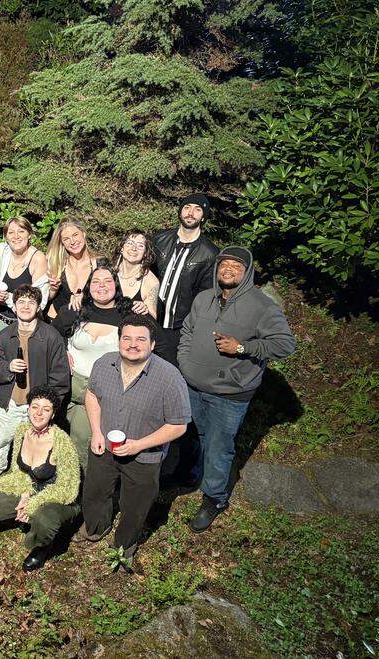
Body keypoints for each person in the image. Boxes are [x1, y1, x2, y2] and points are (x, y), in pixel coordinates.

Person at [179, 247, 296, 532]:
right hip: (194, 386)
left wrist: (243, 347)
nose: (228, 269)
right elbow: (187, 331)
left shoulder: (262, 306)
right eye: (224, 264)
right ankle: (196, 477)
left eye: (236, 265)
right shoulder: (204, 298)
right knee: (197, 436)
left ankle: (214, 498)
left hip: (230, 394)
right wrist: (184, 362)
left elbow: (284, 344)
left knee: (220, 446)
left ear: (247, 272)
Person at [79, 314, 191, 570]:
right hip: (104, 446)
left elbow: (178, 425)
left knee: (135, 506)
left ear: (152, 344)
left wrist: (139, 445)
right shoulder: (104, 364)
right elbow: (92, 395)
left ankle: (123, 546)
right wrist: (96, 431)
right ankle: (96, 527)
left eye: (141, 339)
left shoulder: (169, 378)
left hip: (144, 457)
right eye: (126, 338)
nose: (133, 344)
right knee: (95, 492)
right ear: (118, 341)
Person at [0, 386, 80, 572]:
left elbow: (67, 489)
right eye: (34, 407)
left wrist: (32, 504)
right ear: (28, 408)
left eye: (46, 409)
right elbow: (19, 472)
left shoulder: (62, 442)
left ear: (53, 414)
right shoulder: (22, 431)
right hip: (30, 489)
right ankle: (26, 519)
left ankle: (42, 545)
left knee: (46, 520)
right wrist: (24, 495)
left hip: (56, 498)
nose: (38, 413)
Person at [0, 284, 69, 484]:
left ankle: (26, 481)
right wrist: (7, 367)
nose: (25, 306)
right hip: (10, 403)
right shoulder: (5, 335)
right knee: (0, 443)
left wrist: (48, 408)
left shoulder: (50, 336)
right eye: (21, 301)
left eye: (31, 302)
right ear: (13, 307)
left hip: (36, 408)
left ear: (38, 306)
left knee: (31, 446)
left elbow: (60, 377)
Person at [65, 264, 125, 466]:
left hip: (105, 393)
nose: (102, 286)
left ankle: (93, 487)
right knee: (77, 438)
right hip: (74, 391)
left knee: (92, 439)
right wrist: (62, 353)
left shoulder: (126, 315)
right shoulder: (77, 310)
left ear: (116, 285)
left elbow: (153, 344)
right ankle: (76, 485)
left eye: (108, 281)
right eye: (96, 281)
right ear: (88, 286)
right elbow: (51, 334)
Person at [151, 193, 219, 367]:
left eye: (197, 210)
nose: (191, 213)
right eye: (187, 207)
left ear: (203, 216)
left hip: (179, 328)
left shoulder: (210, 253)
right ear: (180, 211)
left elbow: (206, 296)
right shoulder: (159, 239)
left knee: (169, 373)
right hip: (150, 320)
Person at [0, 216, 49, 333]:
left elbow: (40, 302)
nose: (16, 236)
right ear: (6, 237)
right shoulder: (1, 251)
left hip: (22, 325)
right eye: (11, 232)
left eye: (21, 231)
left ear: (29, 234)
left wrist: (8, 298)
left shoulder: (37, 258)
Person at [45, 221, 96, 337]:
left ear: (83, 233)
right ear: (62, 243)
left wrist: (86, 297)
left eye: (75, 235)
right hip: (55, 328)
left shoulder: (99, 265)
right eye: (66, 239)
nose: (72, 242)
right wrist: (52, 289)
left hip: (87, 331)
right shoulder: (55, 264)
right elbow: (42, 298)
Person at [113, 230, 159, 318]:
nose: (134, 248)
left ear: (145, 253)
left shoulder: (151, 282)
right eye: (130, 243)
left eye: (140, 246)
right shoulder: (108, 271)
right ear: (122, 247)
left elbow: (153, 318)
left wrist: (145, 310)